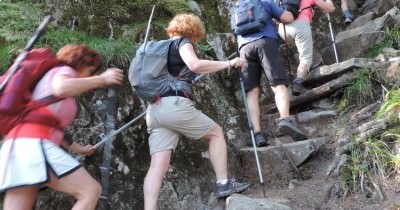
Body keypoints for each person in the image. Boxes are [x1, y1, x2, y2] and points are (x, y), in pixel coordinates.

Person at [142, 13, 249, 210]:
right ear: (194, 31)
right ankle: (223, 183)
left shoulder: (157, 48)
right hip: (174, 105)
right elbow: (195, 65)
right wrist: (229, 63)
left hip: (154, 111)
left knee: (158, 166)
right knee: (216, 133)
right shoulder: (182, 42)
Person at [0, 44, 124, 210]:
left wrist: (77, 148)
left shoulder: (48, 77)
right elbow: (61, 87)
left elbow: (49, 122)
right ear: (85, 65)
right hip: (34, 145)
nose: (90, 75)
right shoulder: (63, 71)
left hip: (17, 146)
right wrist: (102, 80)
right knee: (90, 191)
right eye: (91, 71)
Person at [234, 0, 307, 147]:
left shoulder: (236, 8)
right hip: (265, 43)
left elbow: (234, 33)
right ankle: (285, 120)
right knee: (278, 84)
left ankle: (258, 133)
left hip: (244, 50)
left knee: (252, 93)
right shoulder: (264, 2)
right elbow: (288, 18)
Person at [278, 0, 335, 96]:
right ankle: (298, 82)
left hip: (283, 29)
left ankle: (310, 66)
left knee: (303, 48)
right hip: (300, 26)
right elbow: (329, 9)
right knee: (305, 58)